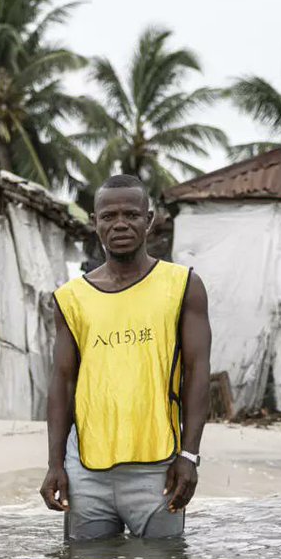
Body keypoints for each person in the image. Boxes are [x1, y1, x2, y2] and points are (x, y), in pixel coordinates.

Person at [39, 174, 211, 540]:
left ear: (148, 221)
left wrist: (190, 456)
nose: (120, 223)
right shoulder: (71, 298)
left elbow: (197, 373)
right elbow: (62, 382)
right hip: (86, 471)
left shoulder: (183, 286)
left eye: (131, 215)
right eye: (109, 215)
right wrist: (55, 464)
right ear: (95, 222)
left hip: (159, 469)